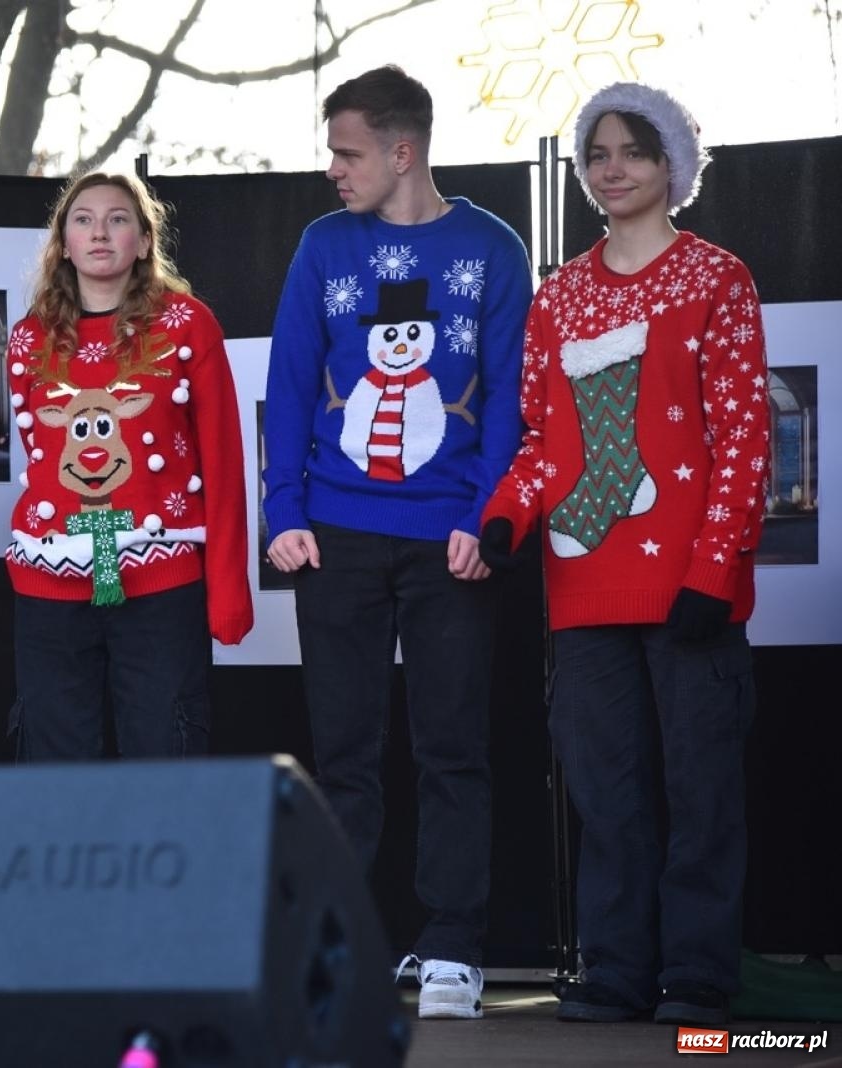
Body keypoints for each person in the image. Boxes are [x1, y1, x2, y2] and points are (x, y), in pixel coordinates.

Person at [478, 82, 768, 1028]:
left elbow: (743, 438)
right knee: (607, 795)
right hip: (584, 587)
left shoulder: (718, 278)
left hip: (689, 585)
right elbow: (539, 439)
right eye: (597, 155)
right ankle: (615, 970)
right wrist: (506, 517)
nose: (612, 170)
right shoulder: (558, 296)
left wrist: (714, 570)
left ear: (672, 165)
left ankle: (697, 978)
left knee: (701, 793)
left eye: (633, 152)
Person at [262, 65, 532, 1020]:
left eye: (347, 152)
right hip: (335, 537)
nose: (333, 169)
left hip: (451, 538)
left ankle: (453, 946)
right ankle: (346, 950)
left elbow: (511, 397)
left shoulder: (492, 248)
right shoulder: (323, 244)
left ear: (402, 150)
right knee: (343, 755)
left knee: (452, 747)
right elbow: (290, 383)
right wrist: (284, 512)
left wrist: (485, 519)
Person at [5, 171, 252, 760]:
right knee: (54, 757)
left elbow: (223, 461)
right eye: (83, 220)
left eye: (117, 219)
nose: (99, 233)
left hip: (159, 585)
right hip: (50, 583)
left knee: (165, 748)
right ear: (64, 244)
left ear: (143, 241)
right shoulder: (29, 339)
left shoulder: (187, 325)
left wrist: (228, 587)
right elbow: (42, 458)